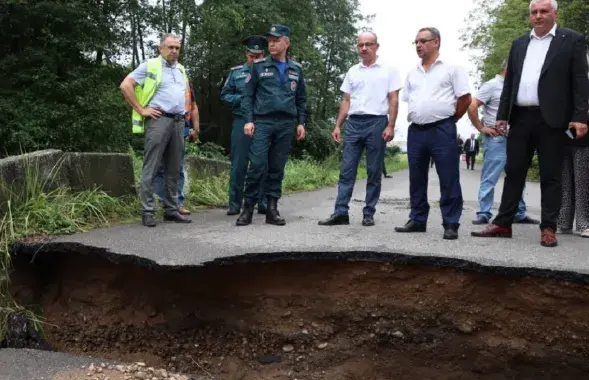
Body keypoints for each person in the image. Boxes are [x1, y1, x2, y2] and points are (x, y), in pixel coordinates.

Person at [472, 0, 588, 247]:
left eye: (544, 11)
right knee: (514, 171)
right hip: (521, 118)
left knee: (551, 175)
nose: (538, 16)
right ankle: (503, 223)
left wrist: (579, 117)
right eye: (534, 12)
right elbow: (509, 84)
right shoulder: (519, 44)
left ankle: (548, 227)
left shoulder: (572, 40)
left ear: (555, 13)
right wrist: (502, 115)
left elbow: (580, 82)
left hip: (553, 120)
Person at [394, 27, 471, 240]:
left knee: (448, 176)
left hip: (442, 129)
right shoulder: (412, 73)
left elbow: (465, 98)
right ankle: (418, 219)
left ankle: (451, 222)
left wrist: (451, 120)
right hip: (416, 131)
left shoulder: (452, 68)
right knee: (416, 177)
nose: (418, 45)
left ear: (436, 42)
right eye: (416, 42)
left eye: (423, 41)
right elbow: (411, 100)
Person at [318, 31, 401, 227]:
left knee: (373, 171)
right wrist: (338, 125)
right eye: (360, 45)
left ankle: (368, 213)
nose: (364, 48)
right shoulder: (352, 71)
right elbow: (346, 100)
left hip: (377, 122)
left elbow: (393, 99)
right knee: (346, 170)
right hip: (354, 123)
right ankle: (340, 212)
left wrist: (391, 125)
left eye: (368, 44)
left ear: (376, 47)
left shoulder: (389, 70)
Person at [120, 33, 195, 227]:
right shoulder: (150, 65)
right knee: (151, 166)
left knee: (174, 168)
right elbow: (126, 85)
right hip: (159, 120)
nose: (174, 51)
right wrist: (141, 109)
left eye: (177, 48)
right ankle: (148, 211)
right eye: (170, 47)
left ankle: (171, 210)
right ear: (161, 48)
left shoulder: (181, 69)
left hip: (178, 122)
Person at [236, 24, 307, 226]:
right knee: (257, 165)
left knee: (277, 168)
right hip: (263, 122)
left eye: (276, 41)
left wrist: (301, 122)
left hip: (286, 123)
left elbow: (301, 99)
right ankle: (247, 208)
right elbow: (247, 96)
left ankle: (272, 209)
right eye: (270, 41)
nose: (272, 44)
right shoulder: (258, 67)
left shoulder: (296, 69)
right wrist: (249, 120)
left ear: (286, 43)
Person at [467, 61, 539, 225]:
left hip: (516, 137)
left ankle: (519, 213)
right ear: (507, 67)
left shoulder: (517, 87)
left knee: (517, 175)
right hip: (496, 137)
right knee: (490, 175)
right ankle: (484, 212)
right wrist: (481, 128)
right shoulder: (492, 85)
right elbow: (472, 106)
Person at [221, 35, 268, 216]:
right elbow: (225, 95)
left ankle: (262, 202)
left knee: (262, 164)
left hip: (262, 122)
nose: (254, 59)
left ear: (263, 55)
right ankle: (234, 203)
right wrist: (243, 99)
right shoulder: (236, 73)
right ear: (246, 53)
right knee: (239, 164)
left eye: (258, 56)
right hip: (241, 122)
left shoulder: (269, 73)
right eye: (251, 55)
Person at [154, 81, 199, 216]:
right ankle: (161, 202)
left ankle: (177, 203)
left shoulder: (186, 80)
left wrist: (196, 128)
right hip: (160, 123)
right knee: (159, 166)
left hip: (181, 125)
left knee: (177, 167)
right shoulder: (158, 76)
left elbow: (193, 106)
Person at [557, 107, 589, 237]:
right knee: (565, 184)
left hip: (584, 139)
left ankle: (584, 224)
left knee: (582, 183)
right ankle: (563, 223)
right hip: (563, 138)